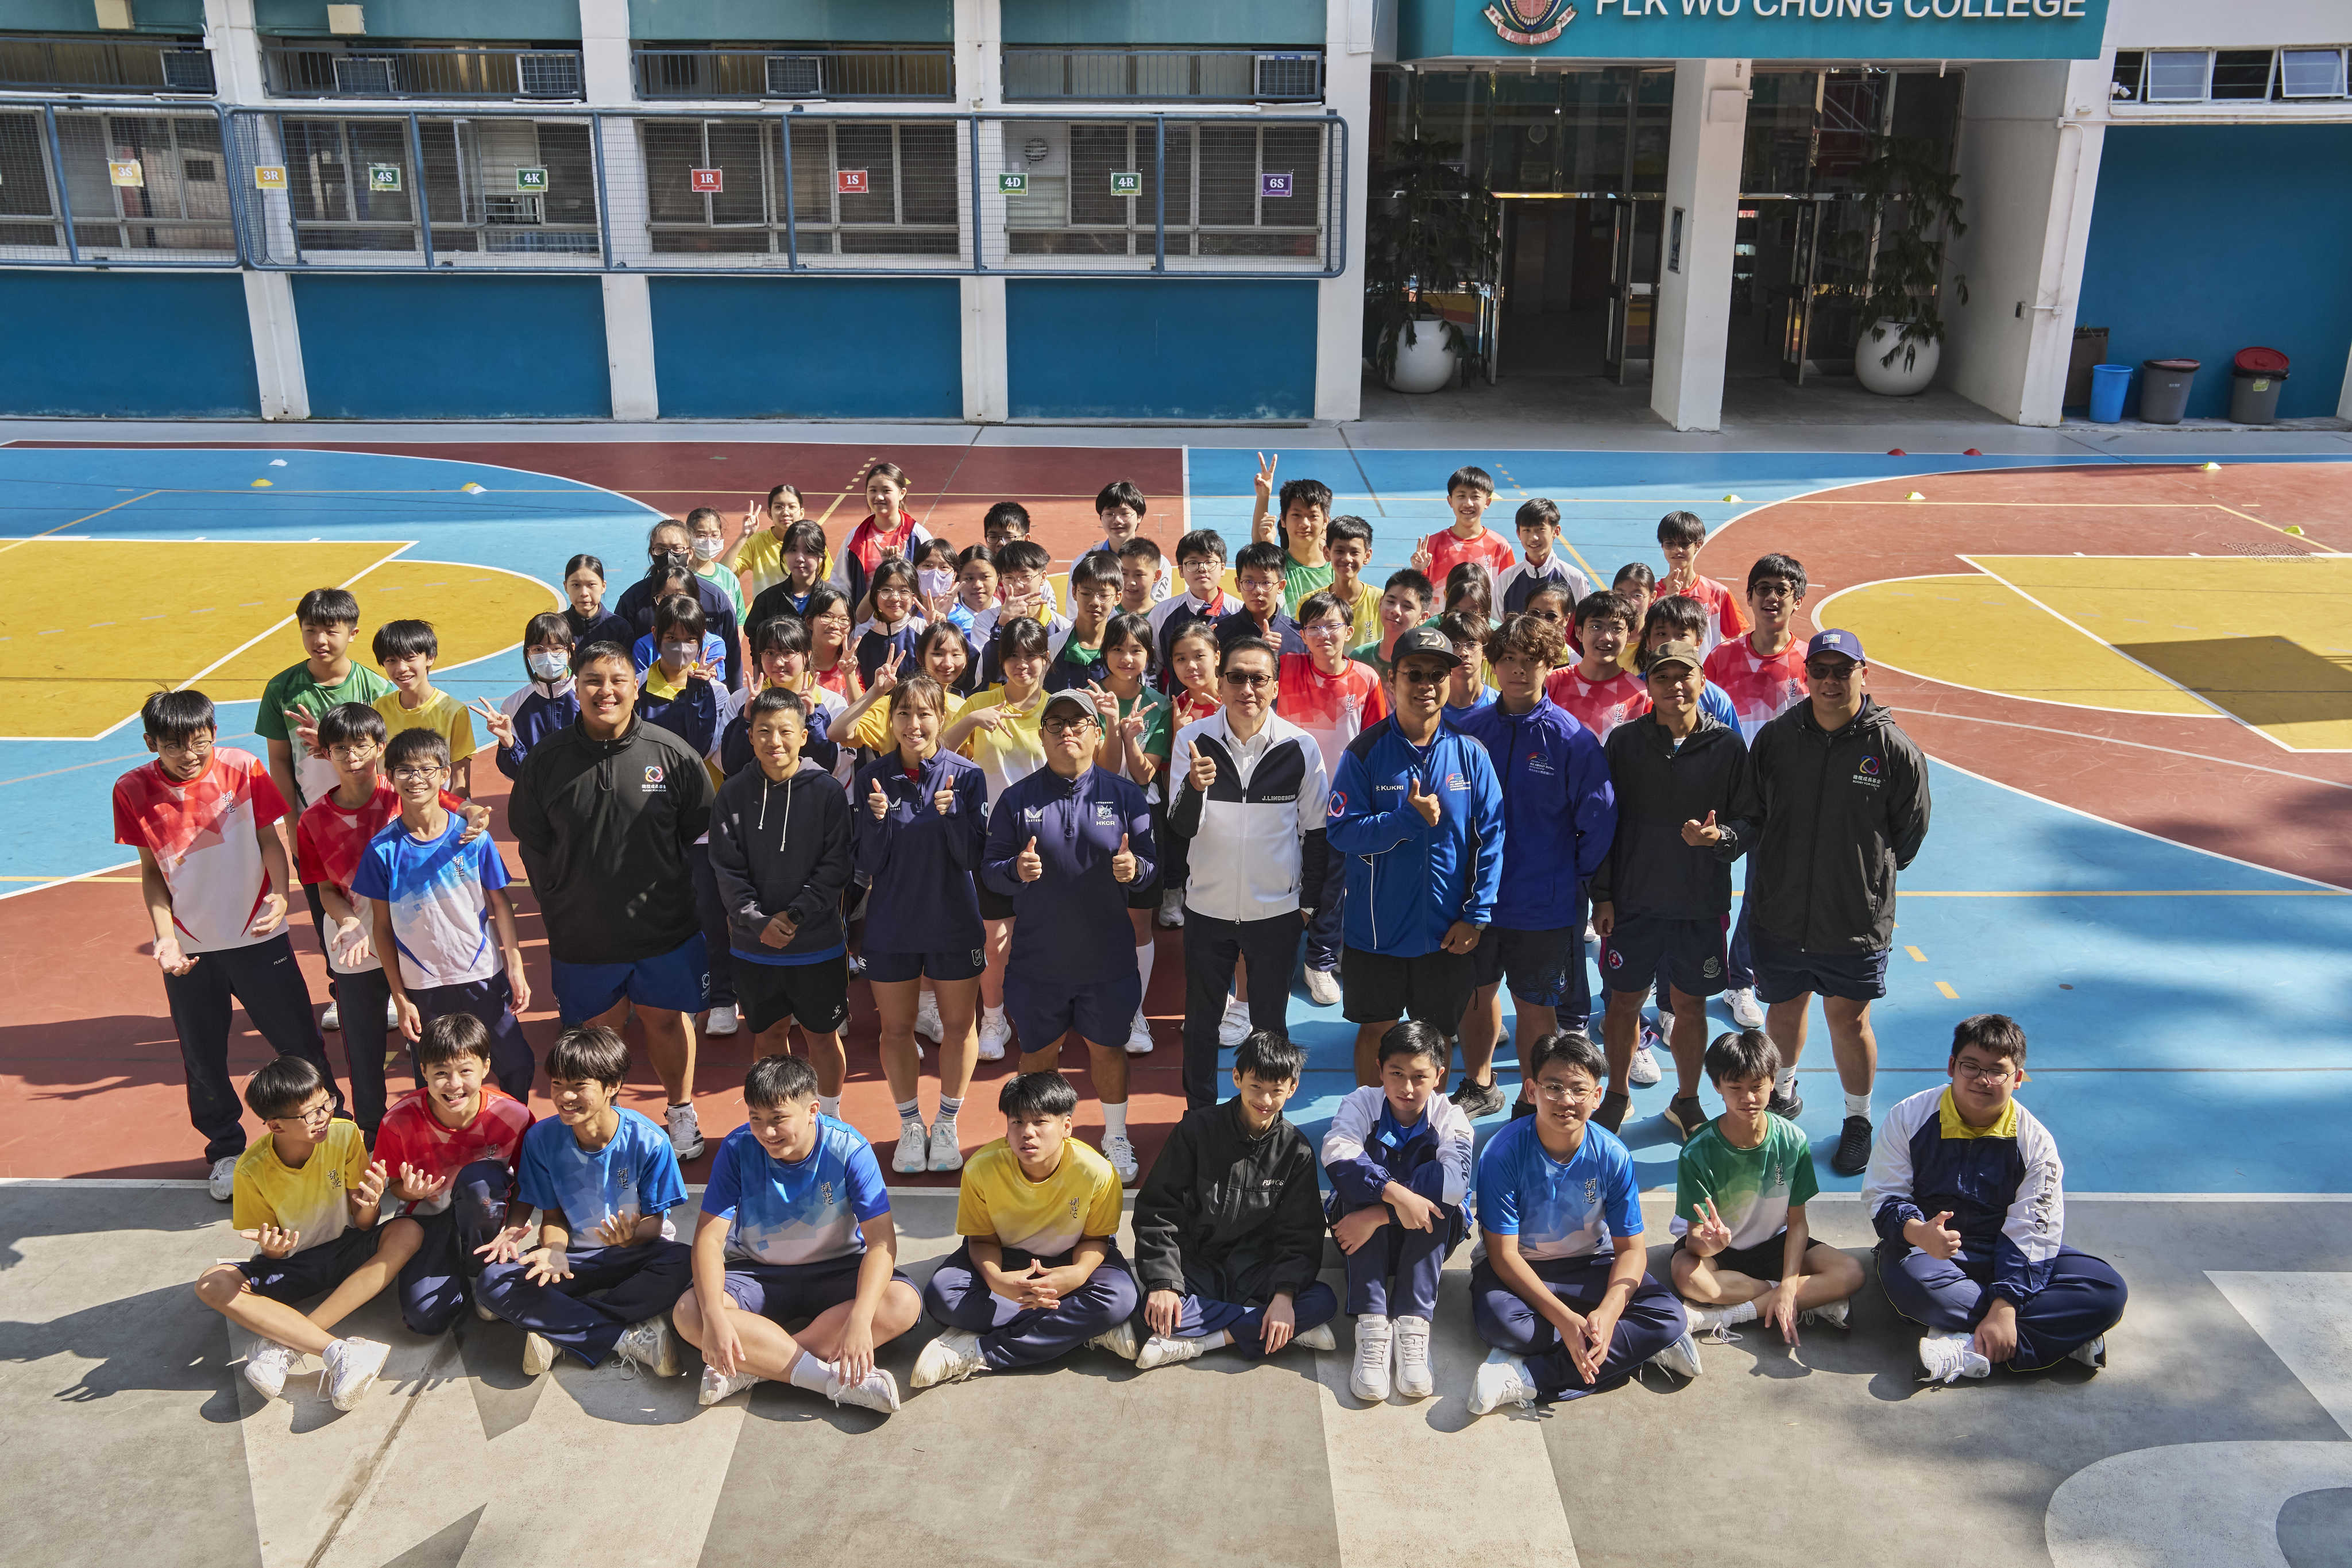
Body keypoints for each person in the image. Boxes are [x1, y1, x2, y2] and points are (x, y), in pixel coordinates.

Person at [116, 690, 342, 1200]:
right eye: (174, 745)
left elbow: (268, 840)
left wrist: (281, 897)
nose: (190, 754)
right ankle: (225, 1151)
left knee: (300, 1045)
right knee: (203, 1056)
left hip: (259, 936)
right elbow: (152, 873)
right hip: (191, 951)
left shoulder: (242, 768)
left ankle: (335, 1130)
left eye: (200, 741)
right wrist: (166, 938)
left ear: (214, 734)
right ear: (151, 743)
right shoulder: (131, 789)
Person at [508, 643, 716, 1160]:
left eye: (617, 680)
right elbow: (531, 840)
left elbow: (697, 827)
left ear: (636, 686)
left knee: (667, 1021)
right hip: (582, 932)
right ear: (576, 688)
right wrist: (554, 899)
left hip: (664, 927)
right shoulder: (547, 761)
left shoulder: (672, 755)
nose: (606, 691)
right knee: (595, 1034)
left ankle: (680, 1111)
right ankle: (606, 1123)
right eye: (593, 681)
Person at [1739, 628, 1932, 1176]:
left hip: (1852, 917)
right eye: (1818, 670)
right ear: (1806, 676)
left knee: (1848, 1020)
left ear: (1862, 674)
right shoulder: (1777, 739)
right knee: (1784, 1006)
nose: (1828, 680)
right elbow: (1753, 814)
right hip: (1781, 908)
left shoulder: (1892, 749)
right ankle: (1782, 1091)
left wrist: (1860, 879)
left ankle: (1857, 1119)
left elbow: (1908, 836)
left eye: (1840, 670)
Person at [1863, 1014, 2127, 1382]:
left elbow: (2035, 1229)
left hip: (2007, 1248)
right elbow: (1884, 1196)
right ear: (1952, 1066)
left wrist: (2005, 1305)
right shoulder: (1909, 1117)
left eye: (1998, 1071)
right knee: (1918, 1285)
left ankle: (1967, 1347)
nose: (1982, 1080)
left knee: (2107, 1289)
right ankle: (2063, 1337)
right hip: (1933, 1250)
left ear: (2017, 1078)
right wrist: (1919, 1232)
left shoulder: (2035, 1141)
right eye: (1971, 1066)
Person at [1466, 1030, 1701, 1416]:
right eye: (1553, 1087)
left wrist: (1607, 1315)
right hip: (1521, 1270)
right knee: (1505, 1327)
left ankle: (1529, 1378)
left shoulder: (1611, 1154)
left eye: (1578, 1089)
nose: (1566, 1101)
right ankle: (1635, 1349)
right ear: (1531, 1090)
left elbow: (1630, 1250)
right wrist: (1566, 1319)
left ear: (1597, 1096)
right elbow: (1502, 1255)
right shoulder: (1502, 1153)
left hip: (1589, 1264)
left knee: (1669, 1315)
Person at [673, 1053, 921, 1411]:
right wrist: (714, 1317)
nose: (766, 1132)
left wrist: (861, 1319)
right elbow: (709, 1240)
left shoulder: (849, 1149)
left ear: (813, 1110)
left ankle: (757, 1365)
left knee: (903, 1303)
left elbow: (882, 1242)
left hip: (837, 1268)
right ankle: (826, 1379)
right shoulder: (737, 1148)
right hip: (757, 1272)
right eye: (755, 1118)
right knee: (690, 1313)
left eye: (778, 1119)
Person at [980, 689, 1157, 1182]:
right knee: (1037, 1055)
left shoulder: (1124, 795)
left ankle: (1115, 1136)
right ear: (1042, 736)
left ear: (1096, 733)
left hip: (1107, 958)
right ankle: (1037, 1139)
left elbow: (1151, 868)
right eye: (1055, 723)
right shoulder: (1017, 800)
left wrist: (1133, 869)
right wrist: (1015, 869)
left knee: (1109, 1051)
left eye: (1077, 723)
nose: (1067, 732)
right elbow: (990, 872)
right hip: (1040, 960)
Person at [294, 703, 490, 1136]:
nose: (352, 756)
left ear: (379, 749)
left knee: (426, 1041)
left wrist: (477, 815)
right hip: (355, 940)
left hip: (414, 938)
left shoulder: (405, 792)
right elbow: (325, 889)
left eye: (361, 745)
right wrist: (348, 921)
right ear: (325, 754)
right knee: (362, 1046)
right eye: (340, 747)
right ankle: (370, 1133)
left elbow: (464, 809)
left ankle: (432, 1128)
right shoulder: (312, 821)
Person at [1326, 627, 1504, 1087]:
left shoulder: (1471, 755)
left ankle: (1430, 1127)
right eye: (1413, 674)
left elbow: (1492, 840)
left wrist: (1476, 917)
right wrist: (1405, 820)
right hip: (1376, 931)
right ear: (1392, 680)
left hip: (1447, 933)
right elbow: (1342, 832)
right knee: (1376, 1029)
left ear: (1450, 680)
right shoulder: (1364, 753)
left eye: (1436, 673)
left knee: (1435, 1036)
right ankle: (1367, 1120)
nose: (1425, 684)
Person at [1453, 614, 1615, 1120]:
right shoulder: (1468, 731)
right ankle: (1480, 1084)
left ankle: (1532, 1097)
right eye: (1507, 660)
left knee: (1534, 1005)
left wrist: (1567, 878)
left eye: (1529, 661)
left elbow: (1598, 820)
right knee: (1475, 996)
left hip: (1542, 906)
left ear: (1549, 665)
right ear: (1491, 663)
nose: (1517, 671)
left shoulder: (1571, 740)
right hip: (1476, 901)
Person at [1590, 640, 1754, 1140]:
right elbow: (1604, 824)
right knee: (1622, 1005)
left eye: (1684, 676)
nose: (1674, 687)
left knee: (1689, 1008)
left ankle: (1685, 1101)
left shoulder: (1727, 745)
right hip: (1634, 904)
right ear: (1648, 685)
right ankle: (1615, 1096)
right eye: (1662, 677)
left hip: (1697, 906)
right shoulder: (1623, 743)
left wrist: (1719, 838)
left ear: (1702, 682)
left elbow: (1749, 820)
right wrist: (1603, 895)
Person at [476, 1025, 694, 1377]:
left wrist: (632, 1236)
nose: (565, 1097)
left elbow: (655, 1222)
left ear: (612, 1087)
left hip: (635, 1253)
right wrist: (555, 1252)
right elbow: (554, 1217)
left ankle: (558, 1329)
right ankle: (625, 1337)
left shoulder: (650, 1141)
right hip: (575, 1257)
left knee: (687, 1261)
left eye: (579, 1086)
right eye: (558, 1084)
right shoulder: (542, 1139)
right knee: (493, 1281)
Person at [195, 1055, 412, 1408]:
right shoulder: (251, 1170)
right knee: (211, 1283)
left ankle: (283, 1344)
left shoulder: (344, 1134)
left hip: (348, 1246)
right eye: (311, 1113)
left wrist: (371, 1204)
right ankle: (338, 1351)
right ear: (276, 1126)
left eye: (327, 1102)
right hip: (293, 1262)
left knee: (408, 1231)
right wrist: (274, 1251)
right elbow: (271, 1249)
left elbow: (363, 1223)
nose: (325, 1115)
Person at [1168, 635, 1331, 1108]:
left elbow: (1316, 833)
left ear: (1274, 687)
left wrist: (1307, 906)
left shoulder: (1300, 747)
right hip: (1207, 909)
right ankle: (1198, 1114)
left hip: (1276, 913)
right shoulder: (1191, 741)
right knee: (1200, 1023)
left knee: (1270, 1027)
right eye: (1236, 677)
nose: (1247, 688)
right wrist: (1195, 789)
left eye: (1258, 678)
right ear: (1220, 683)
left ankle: (1265, 1115)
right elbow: (1180, 829)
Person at [1119, 1031, 1339, 1372]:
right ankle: (1271, 1327)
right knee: (1145, 1307)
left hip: (1256, 1268)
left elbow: (1302, 1233)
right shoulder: (1196, 1131)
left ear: (1293, 1089)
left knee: (1323, 1300)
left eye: (1277, 1090)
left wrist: (1283, 1295)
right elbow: (1158, 1211)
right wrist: (1165, 1283)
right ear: (1237, 1078)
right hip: (1195, 1262)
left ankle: (1203, 1341)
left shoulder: (1296, 1150)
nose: (1265, 1099)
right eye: (1256, 1086)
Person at [912, 1071, 1141, 1388]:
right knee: (942, 1297)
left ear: (1066, 1127)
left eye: (1040, 1122)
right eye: (1017, 1123)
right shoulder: (981, 1168)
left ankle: (977, 1350)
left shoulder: (1097, 1172)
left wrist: (1076, 1275)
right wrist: (997, 1280)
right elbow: (981, 1239)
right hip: (1005, 1257)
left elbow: (1096, 1239)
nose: (1027, 1133)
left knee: (1119, 1297)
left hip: (1071, 1255)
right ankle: (1087, 1328)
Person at [854, 676, 988, 1173]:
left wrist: (953, 818)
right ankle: (911, 1124)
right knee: (895, 1029)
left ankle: (947, 1122)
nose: (914, 725)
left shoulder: (967, 776)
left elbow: (972, 855)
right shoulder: (875, 776)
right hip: (892, 923)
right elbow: (867, 863)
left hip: (953, 918)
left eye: (924, 713)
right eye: (904, 714)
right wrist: (875, 821)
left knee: (958, 1025)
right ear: (891, 721)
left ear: (941, 718)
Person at [356, 727, 535, 1097]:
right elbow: (383, 929)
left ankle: (511, 1140)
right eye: (404, 770)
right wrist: (400, 997)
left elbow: (500, 903)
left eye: (426, 769)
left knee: (515, 1064)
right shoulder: (381, 851)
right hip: (424, 985)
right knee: (438, 1079)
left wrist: (515, 967)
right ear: (389, 777)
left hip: (483, 974)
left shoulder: (472, 838)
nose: (416, 779)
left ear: (444, 775)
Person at [708, 688, 856, 1117]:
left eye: (785, 731)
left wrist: (793, 915)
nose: (775, 741)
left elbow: (835, 867)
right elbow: (726, 870)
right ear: (749, 736)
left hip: (817, 944)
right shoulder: (733, 794)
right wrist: (758, 921)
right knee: (769, 1037)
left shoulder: (827, 792)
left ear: (804, 735)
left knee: (823, 1036)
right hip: (755, 949)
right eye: (764, 731)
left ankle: (828, 1118)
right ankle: (777, 1115)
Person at [256, 586, 394, 1033]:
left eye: (330, 631)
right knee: (325, 902)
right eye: (310, 630)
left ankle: (394, 985)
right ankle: (342, 985)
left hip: (374, 817)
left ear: (352, 633)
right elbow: (279, 759)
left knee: (385, 900)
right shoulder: (281, 688)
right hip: (317, 823)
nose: (320, 640)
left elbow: (389, 752)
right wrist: (291, 819)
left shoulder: (375, 686)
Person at [1671, 1028, 1863, 1341]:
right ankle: (1807, 1300)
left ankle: (1727, 1315)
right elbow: (1694, 1239)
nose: (1748, 1098)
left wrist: (1789, 1284)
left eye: (1758, 1087)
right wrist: (1711, 1244)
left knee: (1851, 1272)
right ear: (1717, 1085)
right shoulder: (1697, 1151)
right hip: (1718, 1250)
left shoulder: (1792, 1141)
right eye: (1735, 1087)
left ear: (1774, 1082)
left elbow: (1798, 1224)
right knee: (1690, 1280)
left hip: (1774, 1243)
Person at [1322, 1021, 1473, 1403]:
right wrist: (1393, 1195)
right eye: (1396, 1074)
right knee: (1360, 1177)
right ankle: (1372, 1327)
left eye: (1419, 1077)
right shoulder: (1360, 1102)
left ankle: (1413, 1324)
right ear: (1379, 1070)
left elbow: (1454, 1187)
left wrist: (1378, 1215)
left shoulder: (1451, 1117)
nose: (1407, 1088)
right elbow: (1337, 1156)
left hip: (1411, 1232)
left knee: (1438, 1185)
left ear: (1439, 1076)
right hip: (1357, 1233)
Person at [1702, 553, 1813, 1032]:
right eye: (1763, 587)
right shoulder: (1721, 658)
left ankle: (1738, 979)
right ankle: (1676, 983)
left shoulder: (1810, 661)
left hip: (1781, 797)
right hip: (1725, 791)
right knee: (1701, 886)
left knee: (1762, 891)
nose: (1771, 596)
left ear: (1797, 599)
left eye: (1782, 589)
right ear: (1748, 597)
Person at [373, 1013, 536, 1337]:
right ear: (423, 1071)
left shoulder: (514, 1116)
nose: (454, 1084)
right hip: (427, 1219)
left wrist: (514, 1226)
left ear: (485, 1067)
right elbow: (393, 1187)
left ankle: (481, 1270)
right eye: (441, 1073)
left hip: (482, 1213)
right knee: (425, 1320)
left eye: (465, 1071)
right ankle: (453, 1270)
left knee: (481, 1187)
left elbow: (529, 1182)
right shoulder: (397, 1121)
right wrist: (412, 1192)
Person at [942, 613, 1052, 1061]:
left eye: (1032, 657)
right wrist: (972, 722)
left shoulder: (1058, 706)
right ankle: (992, 1018)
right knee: (994, 940)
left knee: (1042, 938)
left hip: (1049, 842)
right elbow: (938, 755)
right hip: (994, 842)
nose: (1022, 665)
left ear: (1046, 661)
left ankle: (1038, 1016)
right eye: (1013, 657)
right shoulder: (978, 703)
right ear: (1000, 661)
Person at [1276, 590, 1387, 1009]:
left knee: (1333, 886)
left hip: (1342, 801)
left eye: (1333, 625)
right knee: (1285, 878)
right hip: (1286, 797)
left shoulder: (1366, 679)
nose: (1324, 634)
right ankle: (1281, 955)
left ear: (1349, 630)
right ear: (1301, 634)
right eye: (1314, 626)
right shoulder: (1283, 670)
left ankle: (1320, 960)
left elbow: (1376, 741)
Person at [1086, 610, 1171, 1057]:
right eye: (1117, 649)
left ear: (1148, 656)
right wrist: (1110, 722)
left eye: (1135, 650)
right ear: (1104, 653)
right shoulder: (1087, 701)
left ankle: (1134, 1012)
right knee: (1095, 915)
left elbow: (1141, 776)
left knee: (1139, 919)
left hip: (1140, 819)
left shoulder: (1160, 704)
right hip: (1093, 817)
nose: (1125, 657)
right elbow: (1100, 769)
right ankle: (1094, 1003)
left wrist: (1128, 734)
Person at [1149, 619, 1226, 932]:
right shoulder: (1175, 710)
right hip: (1194, 803)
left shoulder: (1237, 698)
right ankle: (1173, 891)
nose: (1190, 666)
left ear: (1217, 656)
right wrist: (1178, 736)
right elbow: (1168, 781)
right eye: (1180, 659)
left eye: (1199, 656)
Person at [615, 519, 743, 690]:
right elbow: (620, 654)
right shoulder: (632, 600)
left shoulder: (716, 599)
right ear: (652, 553)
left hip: (703, 695)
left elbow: (733, 654)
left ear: (690, 553)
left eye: (677, 549)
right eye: (661, 548)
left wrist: (734, 700)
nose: (669, 555)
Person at [369, 617, 476, 800]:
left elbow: (460, 782)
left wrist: (436, 816)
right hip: (392, 812)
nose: (401, 668)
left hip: (439, 813)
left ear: (430, 657)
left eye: (410, 658)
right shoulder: (379, 708)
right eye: (391, 660)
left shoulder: (453, 712)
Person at [480, 611, 580, 781]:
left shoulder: (587, 698)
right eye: (538, 649)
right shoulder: (513, 706)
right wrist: (508, 741)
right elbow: (516, 773)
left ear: (570, 650)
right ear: (528, 653)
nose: (547, 655)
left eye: (556, 648)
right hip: (535, 799)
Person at [831, 461, 932, 615]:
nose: (879, 496)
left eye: (886, 490)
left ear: (902, 493)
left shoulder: (918, 536)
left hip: (907, 623)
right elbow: (841, 584)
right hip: (867, 623)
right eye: (873, 490)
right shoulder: (856, 536)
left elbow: (930, 583)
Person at [1544, 590, 1646, 740]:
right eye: (1596, 627)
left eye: (1617, 629)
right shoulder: (1551, 683)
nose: (1606, 637)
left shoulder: (1640, 695)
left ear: (1629, 635)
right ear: (1579, 632)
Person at [1411, 465, 1514, 603]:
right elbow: (1418, 594)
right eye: (1461, 496)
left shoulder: (1500, 546)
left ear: (1487, 502)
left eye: (1475, 496)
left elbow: (1510, 593)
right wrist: (1417, 571)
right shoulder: (1432, 545)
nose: (1468, 503)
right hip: (1440, 624)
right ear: (1450, 501)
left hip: (1481, 624)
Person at [1249, 457, 1335, 612]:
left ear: (1325, 521)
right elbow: (1258, 545)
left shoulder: (1337, 569)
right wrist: (1263, 496)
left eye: (1313, 516)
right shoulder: (1278, 567)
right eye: (1296, 515)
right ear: (1283, 520)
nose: (1305, 523)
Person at [1654, 510, 1747, 654]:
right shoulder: (1651, 595)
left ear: (1698, 545)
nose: (1677, 550)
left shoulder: (1718, 593)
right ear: (1662, 546)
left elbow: (1738, 641)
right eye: (1669, 544)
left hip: (1706, 675)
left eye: (1684, 544)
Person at [1149, 527, 1234, 678]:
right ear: (1181, 571)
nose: (1202, 569)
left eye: (1209, 562)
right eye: (1193, 563)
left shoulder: (1239, 612)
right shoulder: (1161, 614)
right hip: (1176, 701)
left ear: (1222, 568)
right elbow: (1153, 668)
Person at [1496, 499, 1593, 616]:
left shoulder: (1575, 579)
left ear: (1556, 531)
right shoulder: (1506, 579)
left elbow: (1583, 625)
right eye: (1527, 530)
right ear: (1518, 534)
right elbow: (1496, 624)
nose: (1534, 537)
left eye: (1540, 529)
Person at [1043, 550, 1122, 693]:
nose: (1094, 602)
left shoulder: (1125, 650)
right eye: (1086, 594)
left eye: (1104, 595)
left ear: (1118, 597)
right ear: (1074, 592)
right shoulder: (1052, 647)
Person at [848, 555, 926, 689]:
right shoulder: (859, 636)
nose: (895, 598)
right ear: (874, 594)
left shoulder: (924, 631)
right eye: (886, 590)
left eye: (904, 591)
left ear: (915, 596)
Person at [1091, 478, 1174, 603]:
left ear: (1139, 517)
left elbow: (1158, 612)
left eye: (1125, 513)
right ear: (1101, 518)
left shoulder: (1159, 563)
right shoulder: (1086, 561)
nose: (1117, 520)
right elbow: (1077, 611)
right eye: (1110, 514)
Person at [725, 484, 813, 599]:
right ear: (769, 513)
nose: (785, 512)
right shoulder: (757, 542)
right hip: (767, 614)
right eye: (779, 507)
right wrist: (744, 536)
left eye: (792, 507)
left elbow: (824, 580)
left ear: (802, 513)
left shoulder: (812, 542)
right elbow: (724, 574)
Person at [744, 517, 833, 631]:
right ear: (784, 554)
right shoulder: (767, 600)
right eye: (793, 550)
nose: (800, 558)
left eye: (809, 551)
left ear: (821, 557)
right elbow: (755, 637)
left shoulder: (834, 600)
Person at [1348, 568, 1433, 681]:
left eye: (1407, 606)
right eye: (1391, 602)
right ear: (1381, 602)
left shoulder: (1429, 663)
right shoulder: (1359, 657)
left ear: (1423, 618)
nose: (1396, 610)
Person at [685, 505, 748, 623]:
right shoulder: (682, 576)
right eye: (701, 535)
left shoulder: (729, 577)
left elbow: (739, 620)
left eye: (714, 535)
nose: (709, 541)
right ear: (689, 535)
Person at [559, 554, 634, 652]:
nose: (584, 593)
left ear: (603, 586)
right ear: (566, 587)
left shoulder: (619, 628)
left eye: (591, 585)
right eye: (576, 585)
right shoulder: (556, 627)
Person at [1116, 536, 1165, 617]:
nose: (1131, 582)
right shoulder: (1107, 612)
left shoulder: (1164, 616)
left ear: (1157, 576)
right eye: (1124, 574)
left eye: (1139, 575)